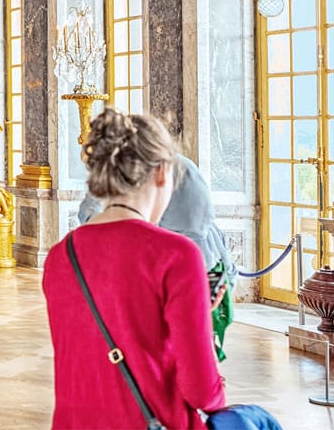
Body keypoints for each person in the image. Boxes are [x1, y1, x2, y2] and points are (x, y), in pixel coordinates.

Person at [43, 111, 225, 429]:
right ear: (161, 173)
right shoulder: (176, 255)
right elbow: (202, 393)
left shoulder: (61, 255)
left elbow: (101, 343)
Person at [78, 152, 237, 359]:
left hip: (194, 258)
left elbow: (196, 227)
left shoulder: (178, 172)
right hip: (171, 259)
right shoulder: (122, 169)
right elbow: (88, 211)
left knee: (188, 329)